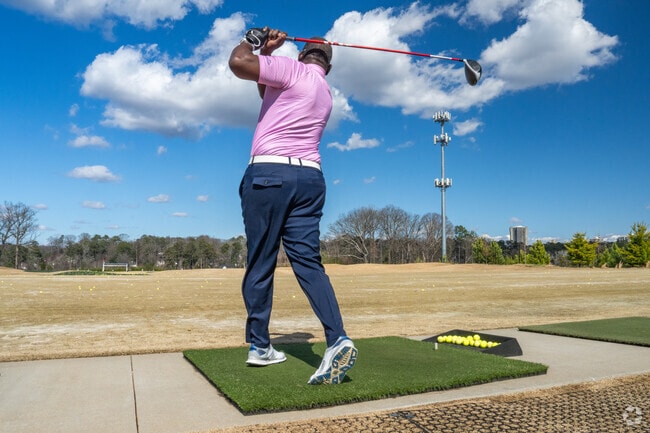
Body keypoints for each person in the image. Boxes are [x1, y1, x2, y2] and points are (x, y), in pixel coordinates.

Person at [228, 27, 357, 385]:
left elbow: (239, 63)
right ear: (327, 66)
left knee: (261, 260)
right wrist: (268, 57)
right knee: (309, 263)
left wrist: (253, 41)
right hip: (311, 180)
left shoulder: (292, 69)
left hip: (269, 174)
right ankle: (337, 339)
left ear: (302, 56)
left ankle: (260, 346)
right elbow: (266, 90)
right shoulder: (324, 91)